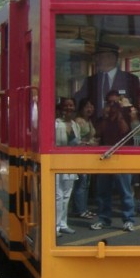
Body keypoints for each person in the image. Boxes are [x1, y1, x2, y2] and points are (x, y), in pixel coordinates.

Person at [90, 90, 135, 232]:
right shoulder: (103, 119)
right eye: (109, 102)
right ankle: (104, 219)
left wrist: (120, 114)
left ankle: (128, 220)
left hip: (123, 157)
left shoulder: (126, 116)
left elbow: (126, 130)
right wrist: (105, 116)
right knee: (103, 192)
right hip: (106, 157)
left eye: (115, 102)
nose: (112, 105)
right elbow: (98, 133)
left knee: (125, 191)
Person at [74, 41, 140, 120]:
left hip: (123, 128)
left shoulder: (131, 80)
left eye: (99, 56)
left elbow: (139, 105)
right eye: (96, 57)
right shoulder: (91, 81)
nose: (96, 60)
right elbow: (79, 101)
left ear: (112, 58)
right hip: (96, 128)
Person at [55, 97, 80, 235]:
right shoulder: (56, 124)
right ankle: (55, 225)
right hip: (57, 161)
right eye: (66, 106)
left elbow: (78, 141)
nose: (69, 108)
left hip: (70, 162)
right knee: (57, 196)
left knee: (66, 195)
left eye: (71, 105)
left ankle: (63, 223)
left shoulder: (75, 125)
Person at [71, 97, 98, 219]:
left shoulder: (89, 121)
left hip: (89, 156)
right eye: (87, 106)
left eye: (91, 106)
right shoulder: (78, 121)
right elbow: (77, 140)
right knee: (81, 183)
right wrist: (88, 142)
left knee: (86, 183)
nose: (90, 109)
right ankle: (79, 209)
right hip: (80, 155)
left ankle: (84, 208)